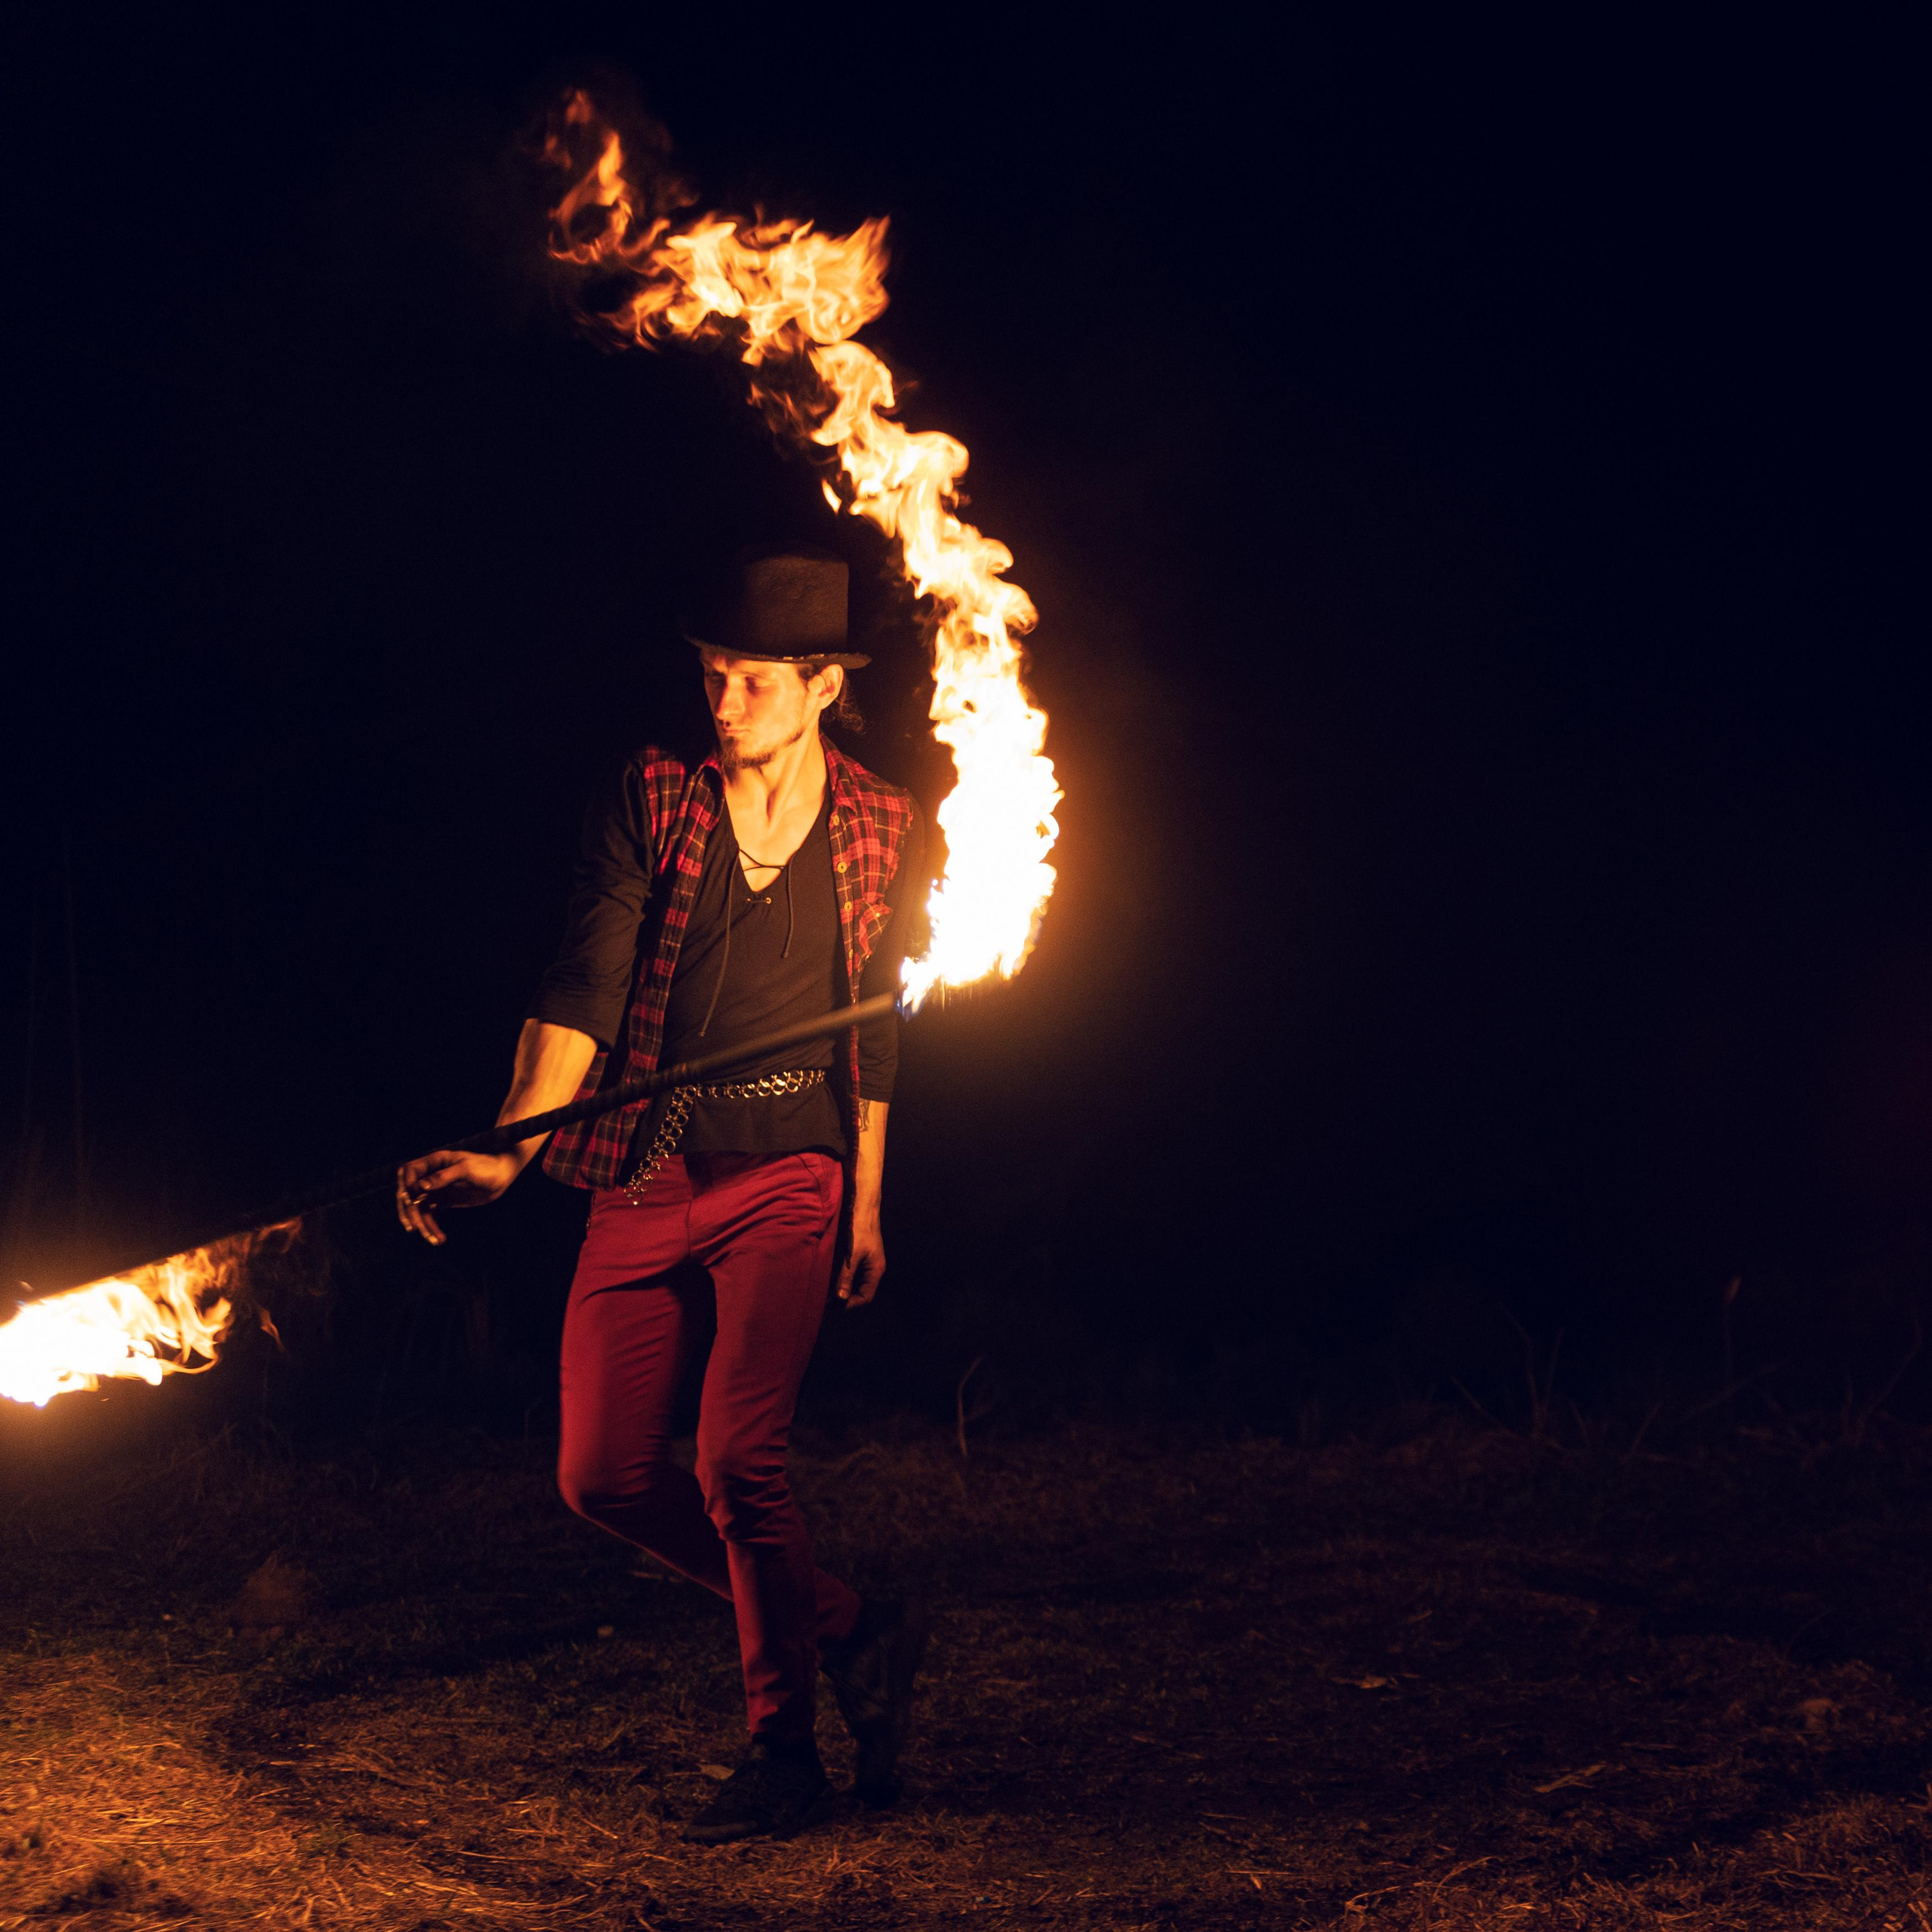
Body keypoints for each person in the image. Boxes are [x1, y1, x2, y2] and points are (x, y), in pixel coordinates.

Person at [395, 543, 930, 1844]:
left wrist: (862, 1196)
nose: (724, 697)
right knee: (601, 1473)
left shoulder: (876, 823)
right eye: (713, 672)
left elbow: (881, 1030)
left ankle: (781, 1749)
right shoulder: (655, 797)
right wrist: (514, 1150)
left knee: (739, 1458)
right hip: (648, 1164)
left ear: (818, 686)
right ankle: (854, 1628)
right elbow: (583, 985)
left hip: (793, 1175)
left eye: (750, 677)